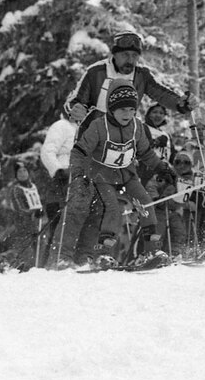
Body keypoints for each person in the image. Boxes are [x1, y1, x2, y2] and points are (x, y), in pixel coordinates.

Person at [64, 82, 173, 268]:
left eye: (132, 109)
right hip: (102, 176)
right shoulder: (99, 126)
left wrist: (161, 168)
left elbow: (145, 153)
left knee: (145, 203)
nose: (127, 114)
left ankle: (151, 251)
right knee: (113, 209)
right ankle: (102, 254)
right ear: (112, 109)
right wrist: (78, 175)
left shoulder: (137, 127)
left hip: (127, 175)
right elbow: (79, 152)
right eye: (122, 109)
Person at [64, 30, 192, 137]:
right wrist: (75, 110)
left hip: (123, 137)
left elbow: (162, 94)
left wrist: (180, 103)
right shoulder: (96, 72)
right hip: (92, 136)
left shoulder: (141, 75)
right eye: (125, 55)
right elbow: (74, 102)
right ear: (114, 54)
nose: (130, 60)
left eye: (135, 55)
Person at [39, 98, 86, 266]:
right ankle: (50, 262)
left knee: (75, 223)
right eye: (74, 109)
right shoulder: (61, 126)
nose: (78, 113)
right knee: (59, 223)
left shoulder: (85, 129)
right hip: (63, 180)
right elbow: (48, 151)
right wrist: (58, 170)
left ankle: (72, 259)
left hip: (79, 181)